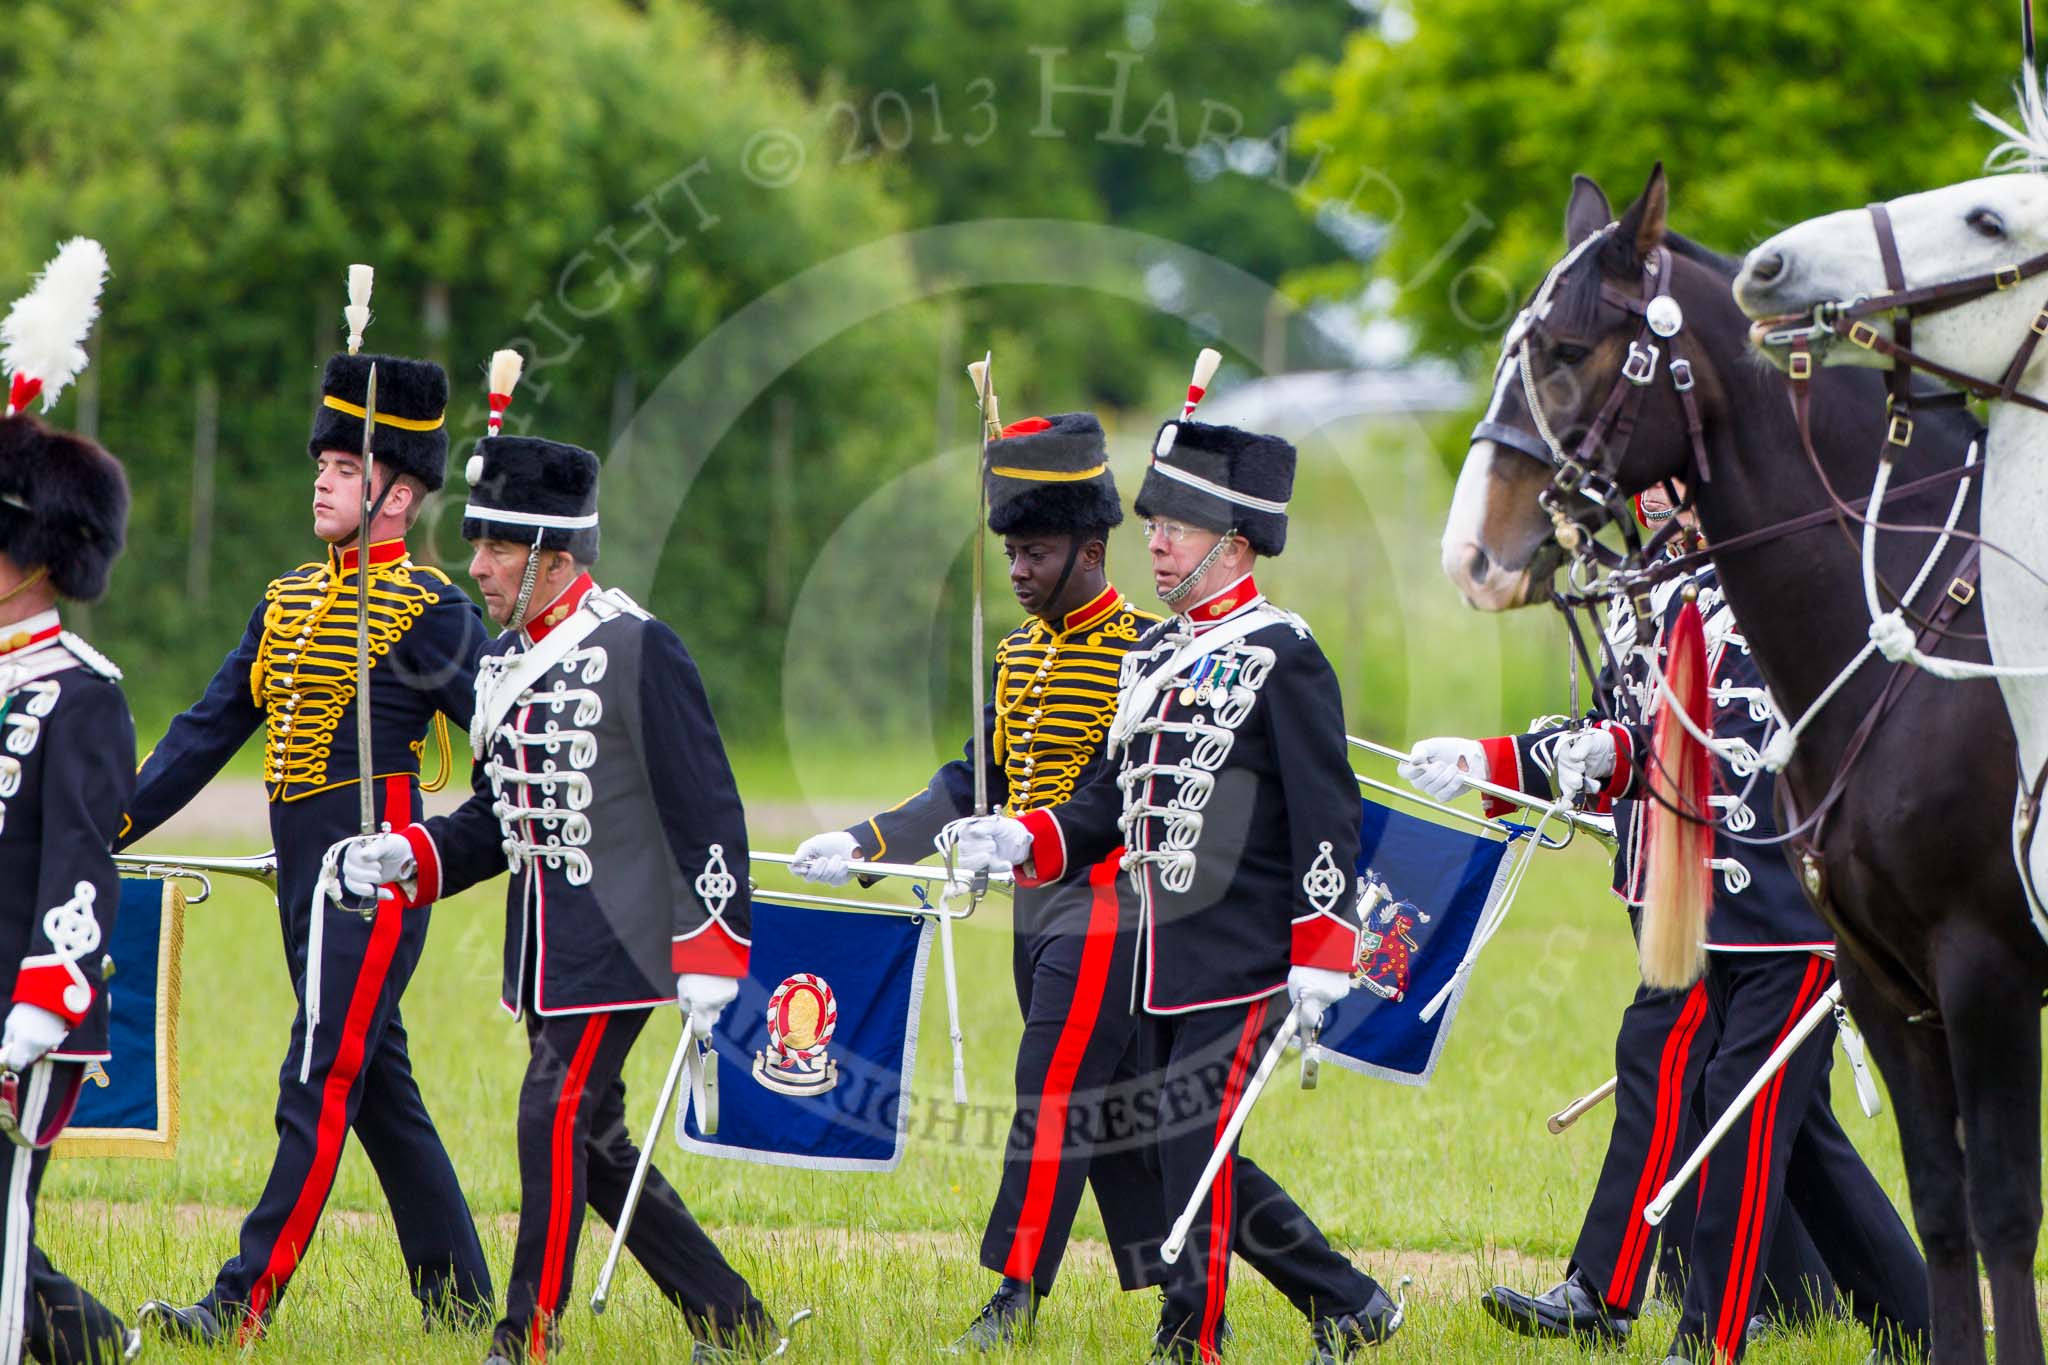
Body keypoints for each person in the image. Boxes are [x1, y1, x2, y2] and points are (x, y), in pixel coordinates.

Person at [1403, 487, 1928, 1364]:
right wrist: (1490, 759)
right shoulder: (1654, 594)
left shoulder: (1793, 579)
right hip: (1680, 904)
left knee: (1747, 1115)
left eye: (1671, 501)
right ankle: (1608, 1289)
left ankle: (1714, 1337)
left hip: (1782, 906)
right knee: (1671, 1071)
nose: (1655, 520)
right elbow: (1625, 733)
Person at [948, 416, 1402, 1364]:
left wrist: (1321, 946)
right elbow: (1112, 801)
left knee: (1193, 1144)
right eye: (1152, 524)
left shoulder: (1284, 649)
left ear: (1233, 544)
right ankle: (1348, 1300)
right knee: (1173, 1149)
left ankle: (1190, 1334)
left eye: (1176, 529)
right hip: (1155, 948)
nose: (1153, 543)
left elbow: (1331, 811)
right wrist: (1025, 833)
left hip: (1246, 952)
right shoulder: (1153, 658)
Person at [339, 411, 786, 1364]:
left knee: (551, 1111)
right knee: (594, 1144)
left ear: (548, 551)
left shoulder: (636, 646)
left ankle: (522, 1338)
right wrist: (411, 855)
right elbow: (500, 825)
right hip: (545, 947)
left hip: (625, 945)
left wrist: (715, 944)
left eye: (496, 545)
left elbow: (707, 805)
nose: (479, 568)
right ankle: (732, 1318)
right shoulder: (502, 661)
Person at [129, 283, 491, 1343]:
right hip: (300, 873)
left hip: (374, 878)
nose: (323, 487)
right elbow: (200, 733)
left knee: (318, 1071)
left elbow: (505, 745)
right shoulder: (285, 600)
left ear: (396, 490)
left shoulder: (432, 611)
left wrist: (434, 850)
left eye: (344, 471)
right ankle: (462, 1296)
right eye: (322, 469)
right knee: (375, 1078)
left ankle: (241, 1303)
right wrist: (98, 826)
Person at [788, 412, 1166, 1348]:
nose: (1019, 572)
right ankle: (1314, 1291)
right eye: (1010, 555)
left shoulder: (1150, 653)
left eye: (1035, 552)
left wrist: (1034, 832)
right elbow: (971, 782)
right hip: (1036, 913)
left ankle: (1015, 1293)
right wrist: (867, 839)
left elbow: (1119, 802)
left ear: (1091, 547)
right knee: (1125, 1122)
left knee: (1048, 1096)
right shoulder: (1013, 656)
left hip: (1114, 911)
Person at [0, 238, 142, 1365]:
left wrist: (47, 995)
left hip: (23, 1000)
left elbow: (82, 859)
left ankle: (86, 1349)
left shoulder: (80, 697)